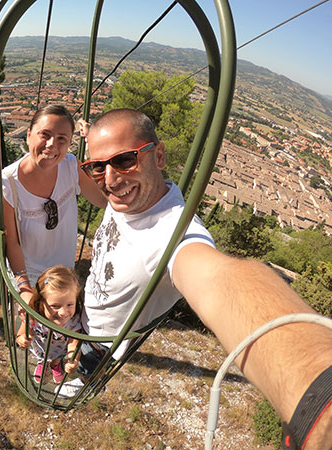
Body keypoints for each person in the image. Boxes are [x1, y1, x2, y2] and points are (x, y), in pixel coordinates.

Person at [63, 108, 332, 449]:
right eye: (98, 166)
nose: (112, 180)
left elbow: (220, 281)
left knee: (70, 376)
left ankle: (79, 384)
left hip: (102, 344)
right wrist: (74, 153)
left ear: (158, 155)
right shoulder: (127, 196)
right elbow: (99, 189)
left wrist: (316, 388)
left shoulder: (173, 233)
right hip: (83, 313)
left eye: (125, 160)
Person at [2, 105, 107, 302]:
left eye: (62, 139)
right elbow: (12, 243)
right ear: (29, 135)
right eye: (45, 134)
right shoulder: (8, 183)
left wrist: (95, 147)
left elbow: (102, 200)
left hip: (63, 276)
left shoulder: (70, 166)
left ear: (69, 143)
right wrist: (24, 288)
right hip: (29, 277)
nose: (51, 145)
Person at [15, 265, 83, 384]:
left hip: (60, 350)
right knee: (43, 357)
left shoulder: (74, 321)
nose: (63, 313)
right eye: (55, 306)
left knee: (57, 359)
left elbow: (74, 343)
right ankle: (43, 364)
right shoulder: (34, 316)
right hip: (41, 347)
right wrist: (22, 337)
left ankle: (55, 365)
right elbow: (24, 329)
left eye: (70, 304)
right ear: (41, 302)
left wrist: (73, 358)